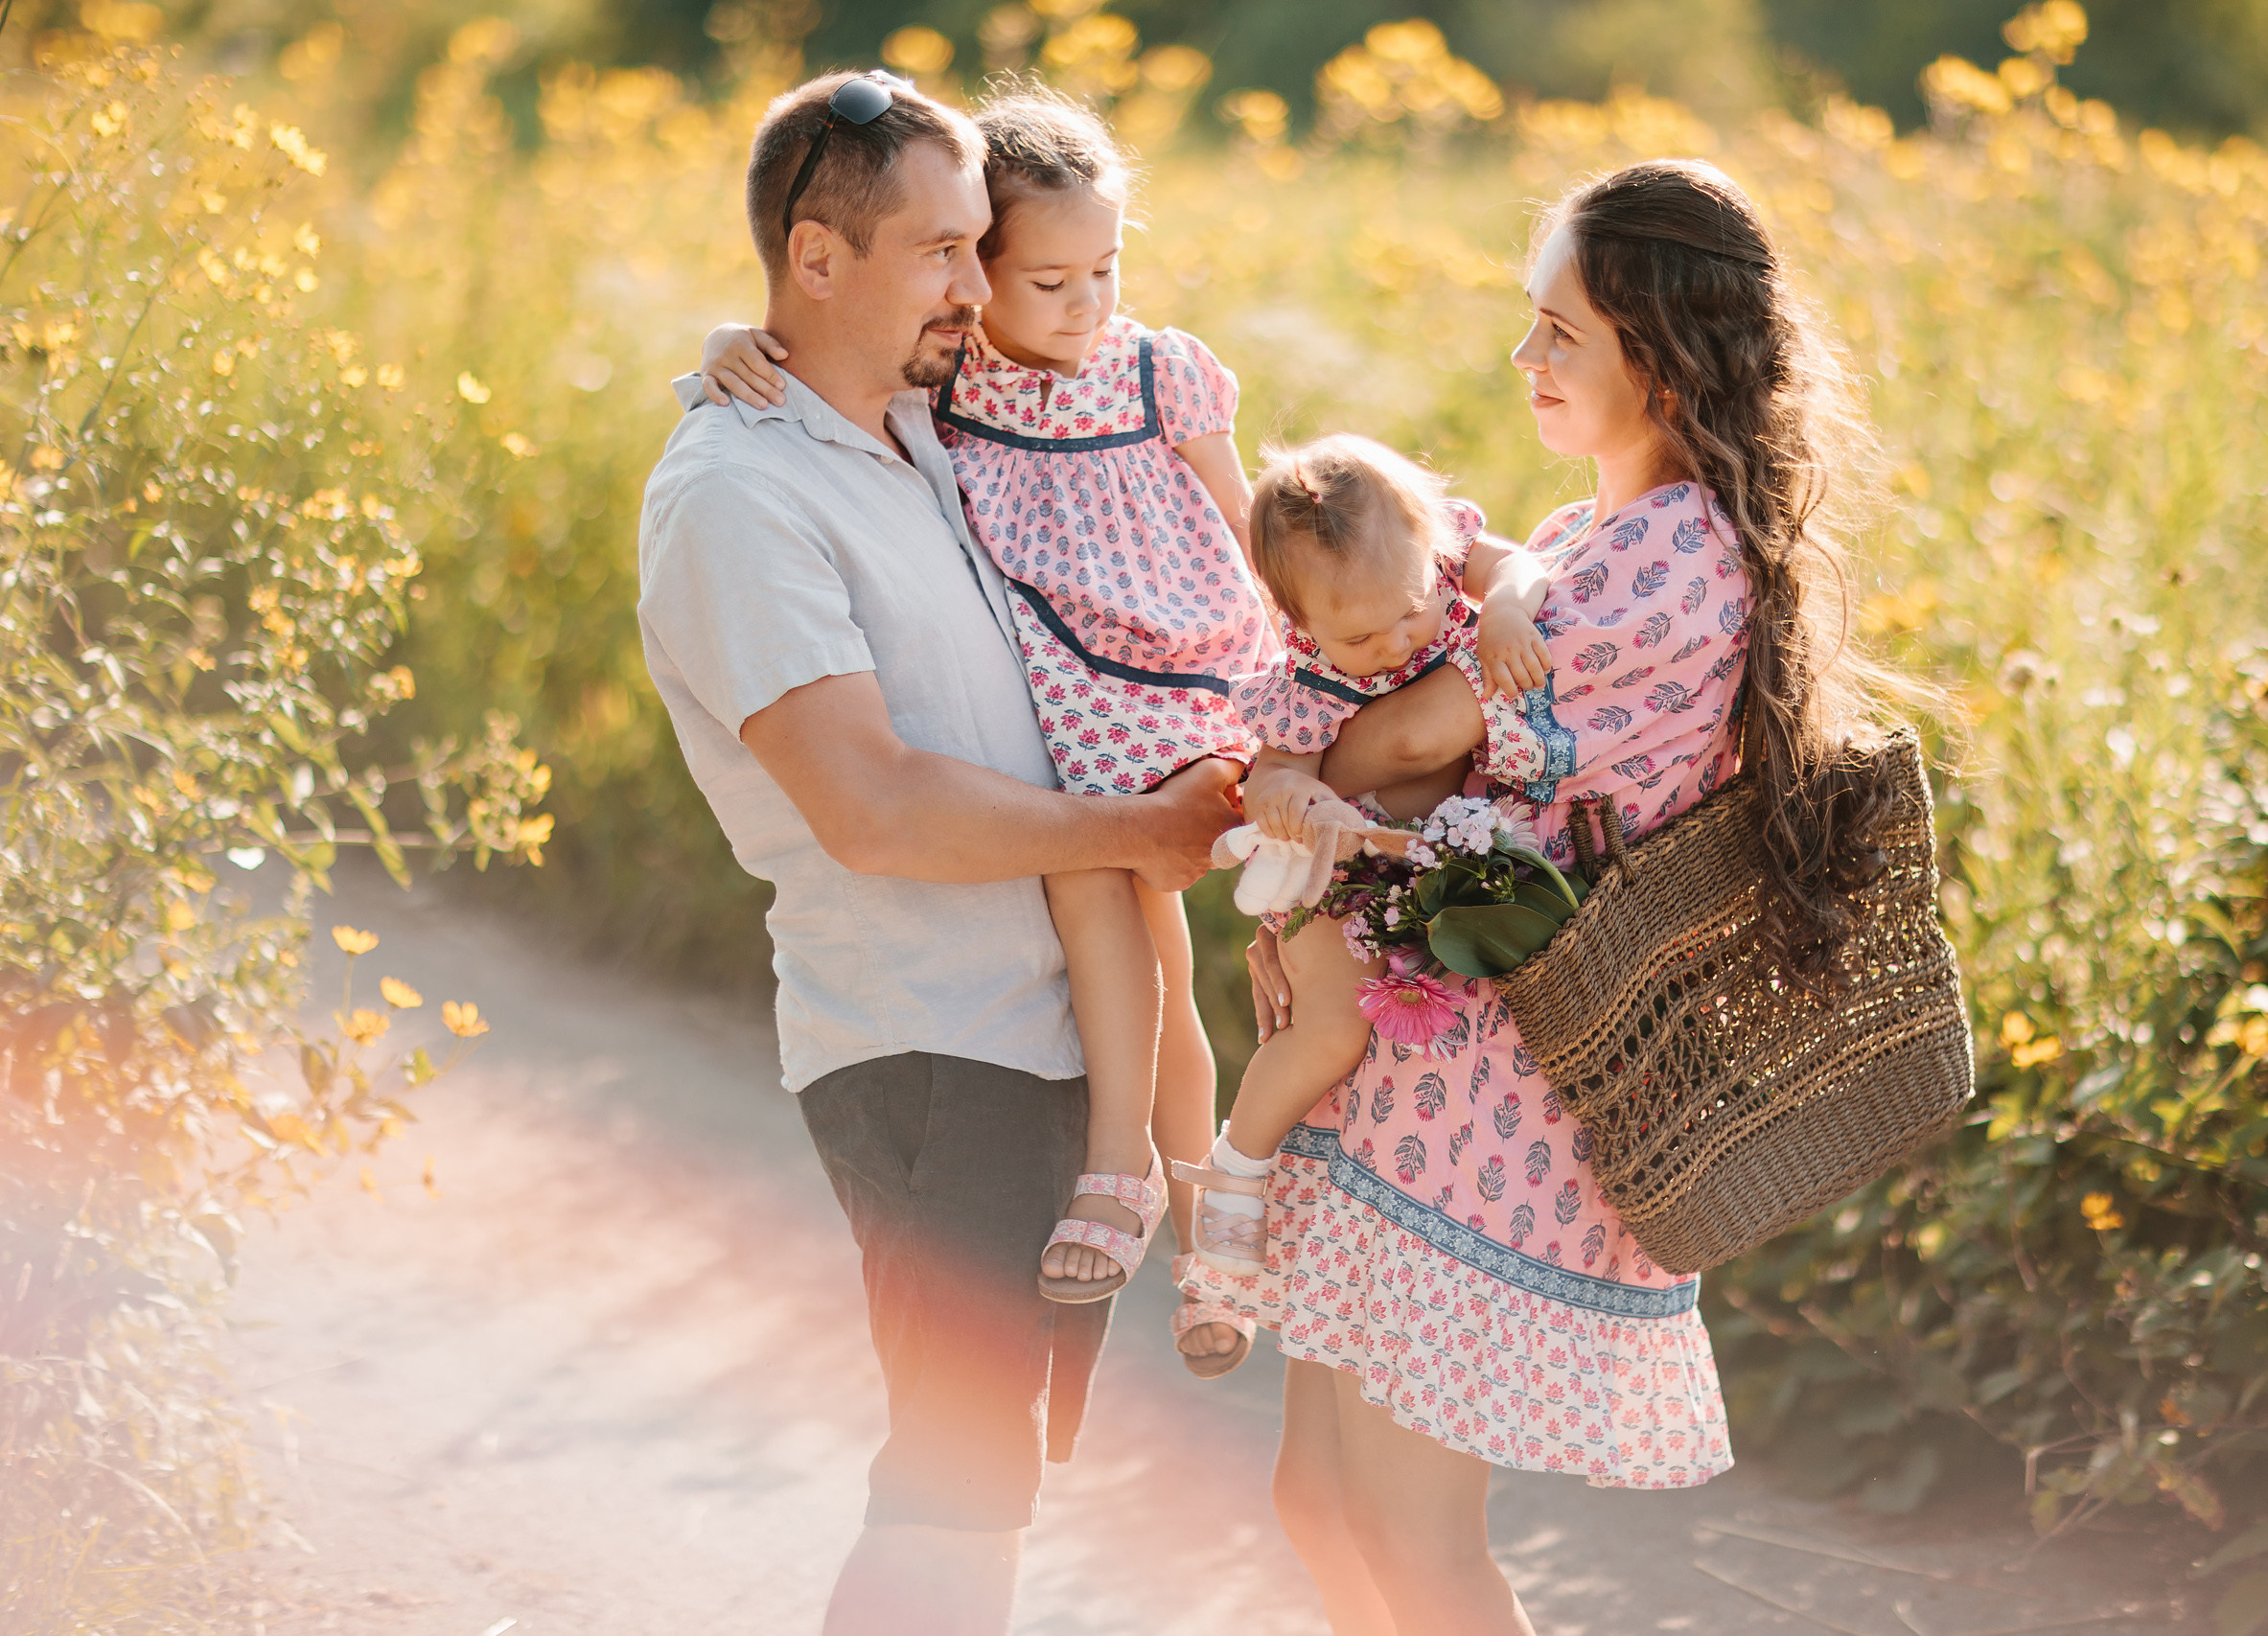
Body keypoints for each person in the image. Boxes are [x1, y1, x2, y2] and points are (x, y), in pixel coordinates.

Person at [1186, 159, 1905, 1636]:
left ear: (1660, 349)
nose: (1527, 360)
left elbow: (1397, 736)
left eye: (1561, 331)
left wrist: (1311, 766)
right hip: (1404, 1066)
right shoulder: (1580, 537)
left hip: (1485, 1108)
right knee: (1319, 1508)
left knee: (1410, 1538)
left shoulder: (1673, 556)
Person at [635, 72, 1237, 1636]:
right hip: (930, 1046)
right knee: (954, 1486)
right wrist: (1142, 829)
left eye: (983, 248)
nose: (976, 288)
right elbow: (873, 806)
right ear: (814, 260)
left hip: (1046, 1040)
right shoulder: (737, 489)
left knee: (987, 1486)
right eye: (936, 252)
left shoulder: (920, 424)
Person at [1174, 433, 1558, 1277]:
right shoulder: (1312, 682)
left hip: (1427, 871)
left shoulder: (1451, 564)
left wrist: (1503, 609)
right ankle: (1238, 1167)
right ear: (1299, 626)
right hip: (1338, 879)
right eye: (1357, 637)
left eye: (1410, 612)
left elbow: (1521, 565)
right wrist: (1291, 795)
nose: (1392, 645)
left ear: (1434, 550)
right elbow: (1273, 772)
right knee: (1331, 1032)